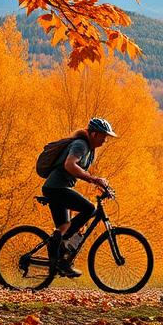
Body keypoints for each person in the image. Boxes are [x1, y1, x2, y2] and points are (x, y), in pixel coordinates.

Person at [41, 116, 117, 276]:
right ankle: (62, 245)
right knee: (89, 208)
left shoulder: (89, 150)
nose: (105, 140)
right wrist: (93, 179)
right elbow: (69, 164)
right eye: (104, 136)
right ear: (95, 134)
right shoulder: (80, 145)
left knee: (64, 227)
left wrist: (99, 183)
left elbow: (82, 172)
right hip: (55, 188)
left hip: (58, 188)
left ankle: (59, 258)